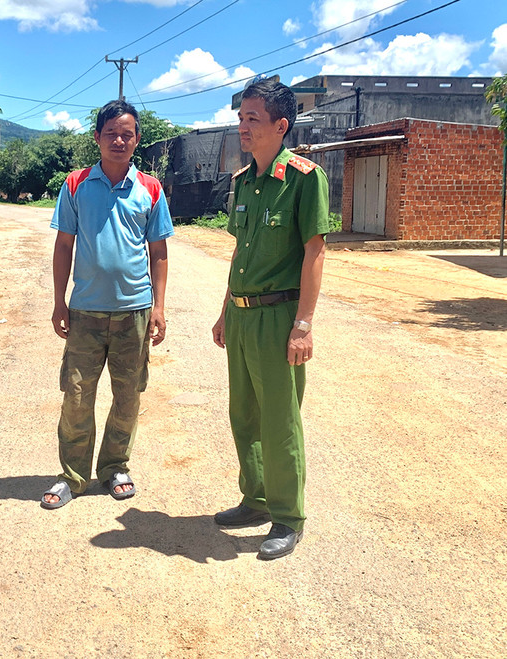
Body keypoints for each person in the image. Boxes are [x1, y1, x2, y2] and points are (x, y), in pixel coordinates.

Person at [211, 79, 330, 560]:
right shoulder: (242, 182)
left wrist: (303, 324)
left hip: (279, 316)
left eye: (252, 118)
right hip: (241, 317)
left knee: (280, 420)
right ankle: (256, 499)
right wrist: (224, 312)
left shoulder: (303, 178)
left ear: (281, 125)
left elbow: (314, 250)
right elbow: (240, 251)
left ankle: (287, 515)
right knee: (244, 414)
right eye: (241, 117)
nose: (243, 125)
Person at [42, 100, 174, 509]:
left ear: (137, 140)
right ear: (97, 137)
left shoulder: (150, 187)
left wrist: (159, 306)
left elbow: (159, 251)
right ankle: (73, 475)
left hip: (134, 311)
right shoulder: (76, 183)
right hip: (84, 311)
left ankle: (115, 466)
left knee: (128, 395)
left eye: (127, 134)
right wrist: (59, 301)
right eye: (111, 133)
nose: (119, 140)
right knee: (77, 395)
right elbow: (64, 244)